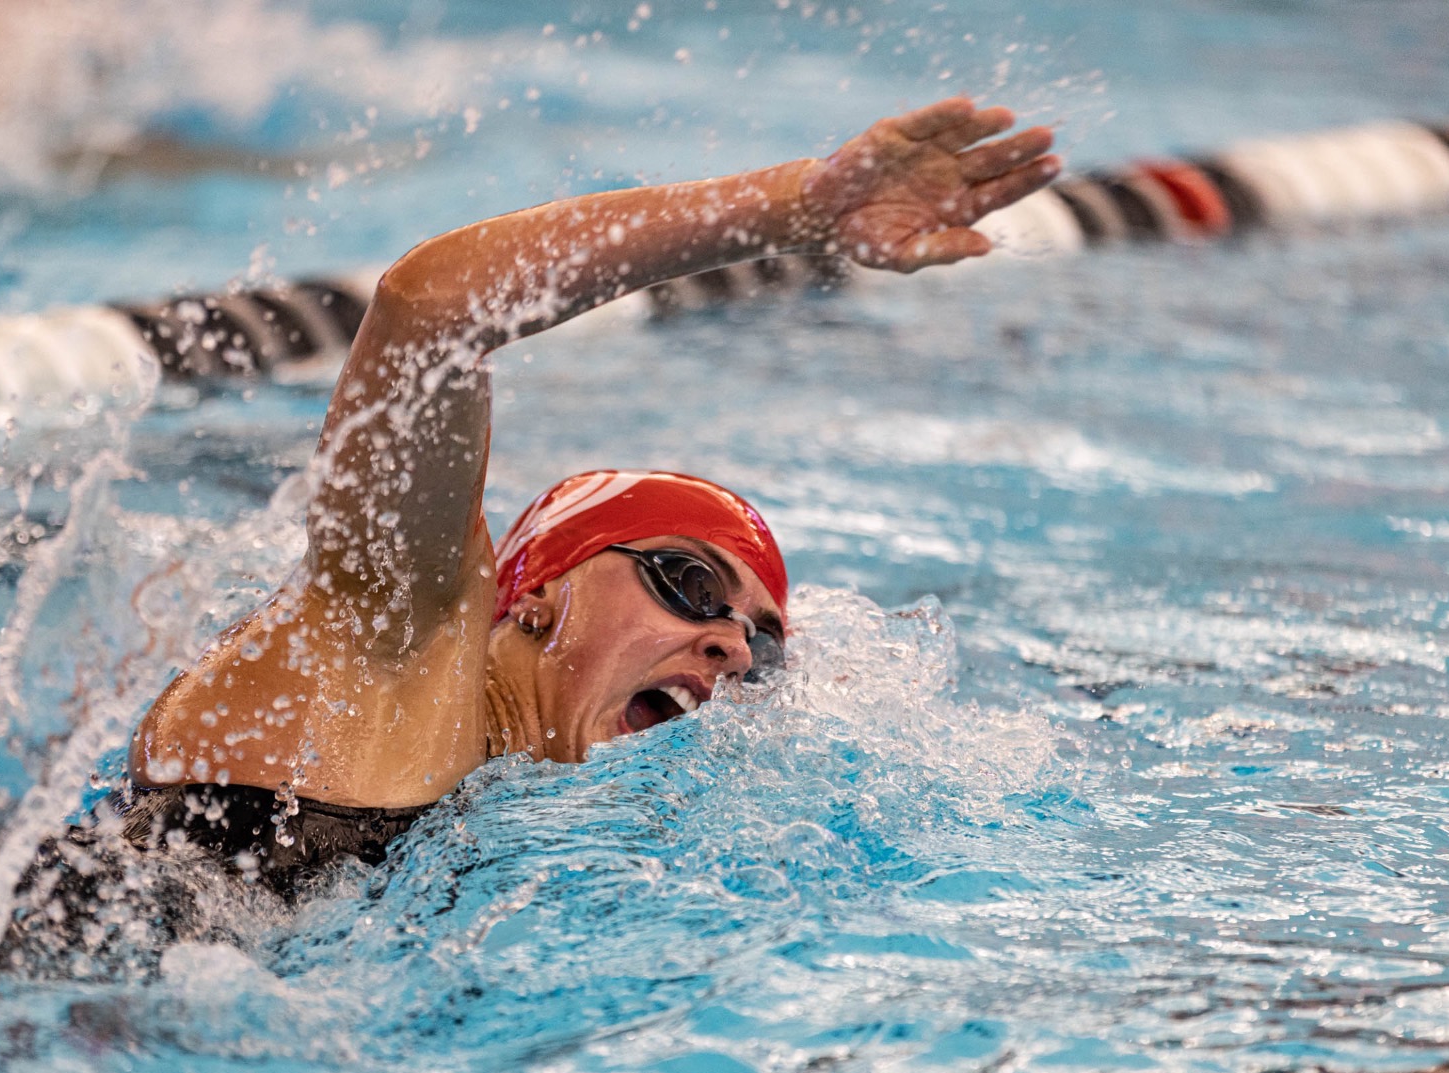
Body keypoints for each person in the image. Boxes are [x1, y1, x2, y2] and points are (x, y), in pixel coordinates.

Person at [76, 97, 1059, 912]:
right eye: (687, 582)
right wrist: (792, 207)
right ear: (535, 593)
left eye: (759, 639)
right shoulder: (395, 653)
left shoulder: (492, 803)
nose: (732, 647)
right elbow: (431, 312)